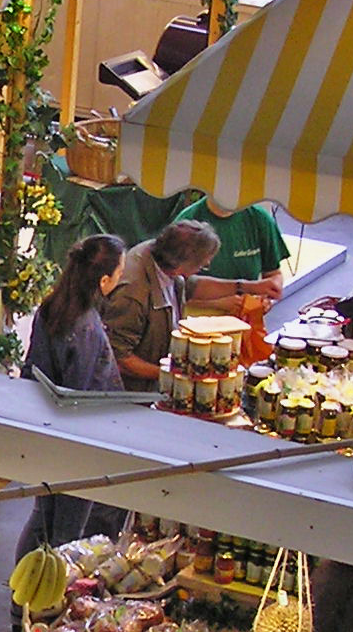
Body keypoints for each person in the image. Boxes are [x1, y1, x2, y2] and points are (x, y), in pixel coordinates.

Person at [14, 234, 130, 565]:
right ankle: (48, 599)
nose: (121, 278)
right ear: (104, 280)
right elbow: (80, 388)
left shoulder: (52, 308)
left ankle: (22, 591)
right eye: (119, 273)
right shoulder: (86, 326)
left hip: (47, 427)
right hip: (79, 438)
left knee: (43, 517)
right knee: (67, 528)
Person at [99, 218, 221, 384]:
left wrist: (248, 287)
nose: (206, 265)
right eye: (202, 265)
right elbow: (119, 357)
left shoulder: (161, 256)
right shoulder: (133, 293)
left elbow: (191, 286)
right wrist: (176, 375)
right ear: (179, 265)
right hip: (132, 394)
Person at [171, 194, 291, 313]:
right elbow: (173, 288)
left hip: (246, 321)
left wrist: (267, 296)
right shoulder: (188, 222)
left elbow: (274, 273)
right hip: (197, 321)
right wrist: (217, 304)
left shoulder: (259, 218)